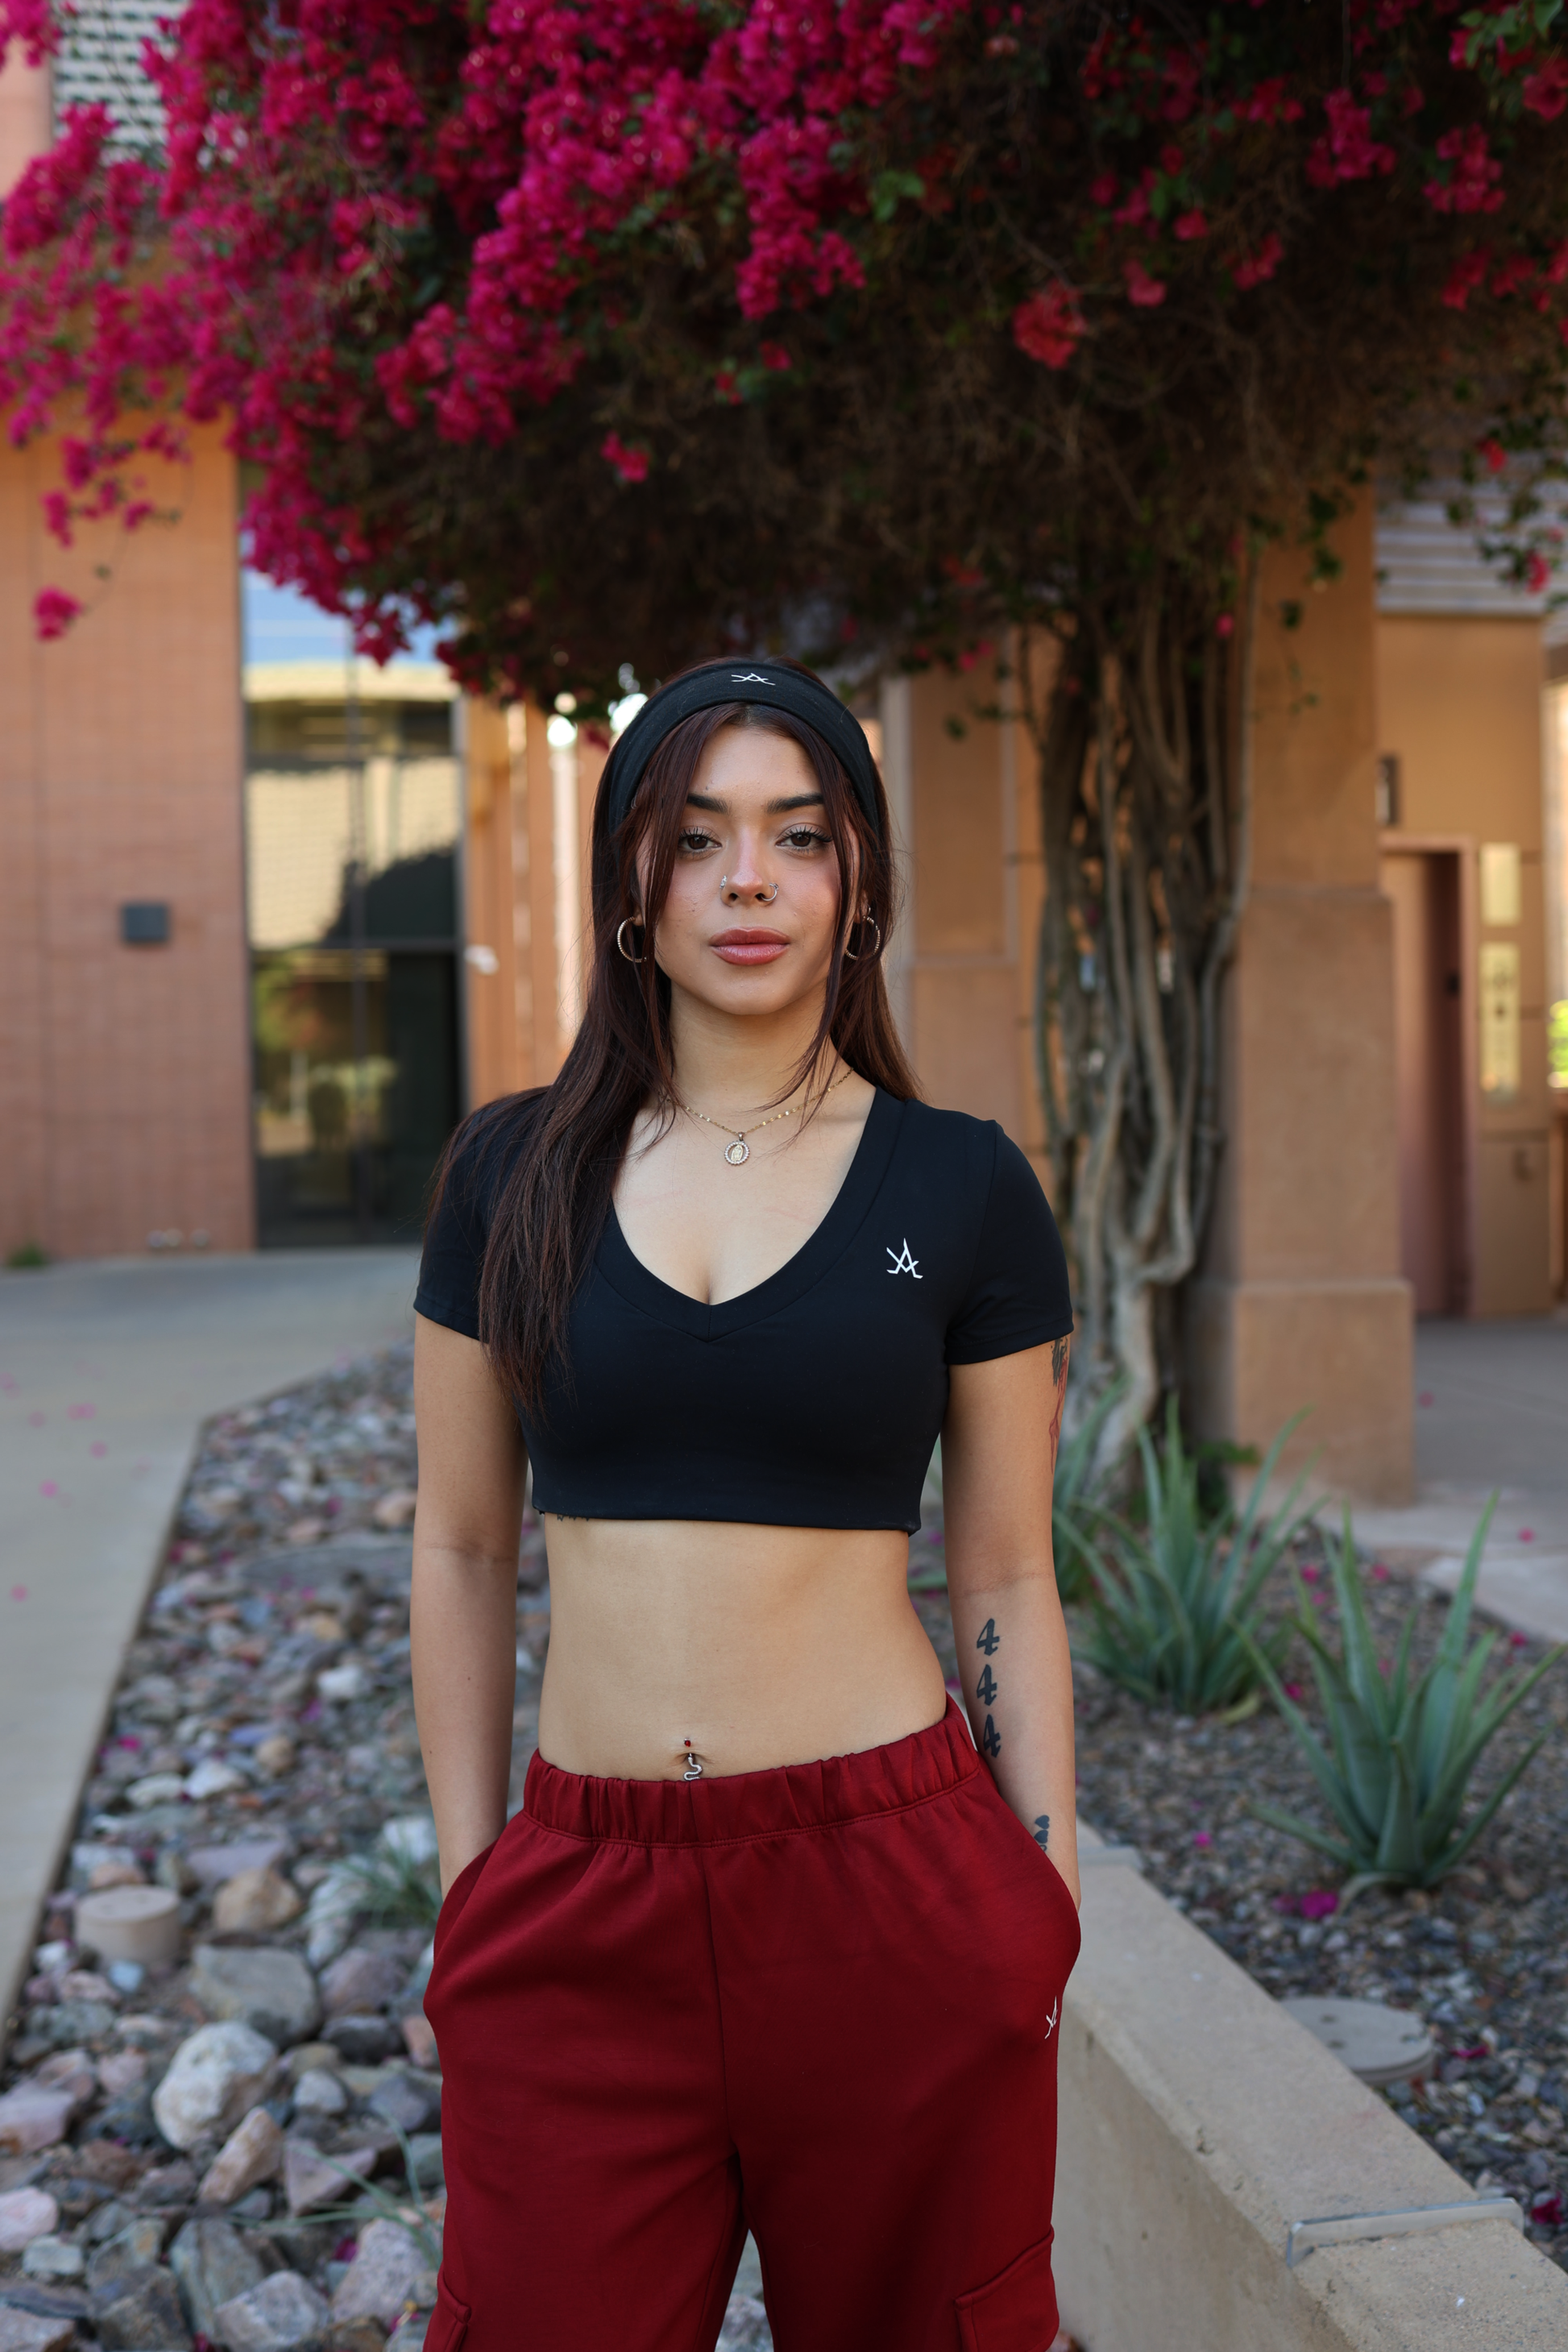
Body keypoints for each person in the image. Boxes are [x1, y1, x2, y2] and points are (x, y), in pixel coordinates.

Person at [410, 656, 1080, 2352]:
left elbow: (1006, 1570)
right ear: (632, 884)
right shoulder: (506, 1173)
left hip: (895, 1894)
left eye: (797, 835)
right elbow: (463, 1544)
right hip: (580, 1898)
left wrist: (1040, 1905)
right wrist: (470, 1888)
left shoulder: (965, 1182)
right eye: (697, 837)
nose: (748, 880)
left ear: (856, 881)